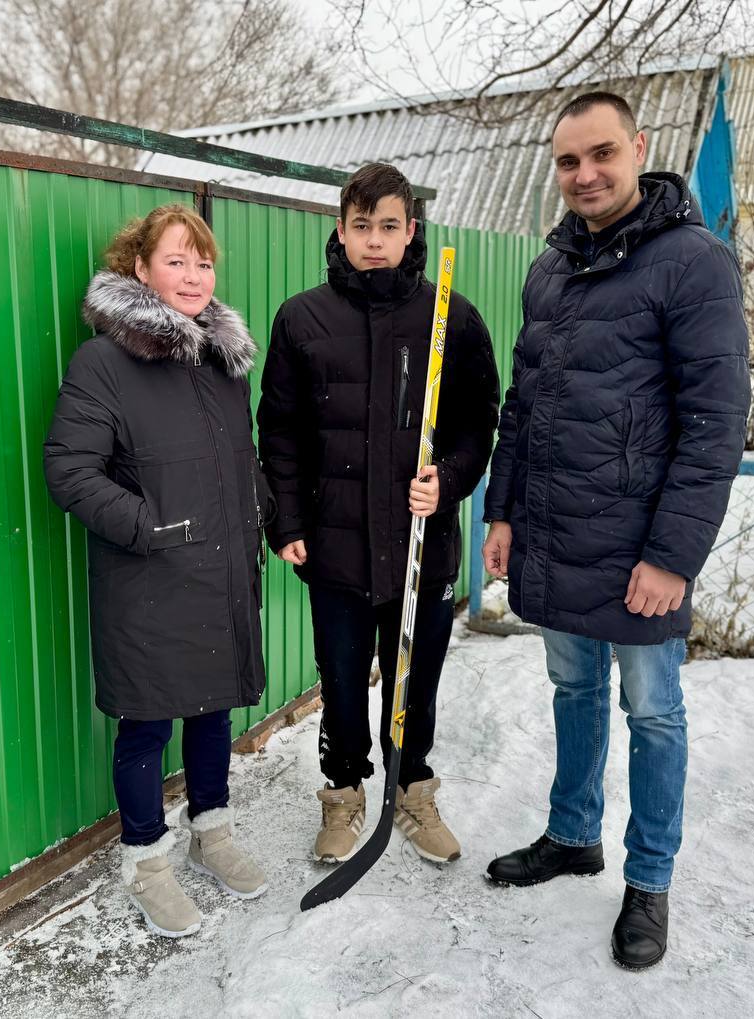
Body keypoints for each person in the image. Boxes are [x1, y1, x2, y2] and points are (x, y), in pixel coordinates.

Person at [481, 93, 751, 970]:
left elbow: (716, 422)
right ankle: (572, 835)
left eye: (602, 155)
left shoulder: (693, 263)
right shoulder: (549, 268)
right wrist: (504, 511)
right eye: (568, 162)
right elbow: (523, 406)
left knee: (655, 712)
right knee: (573, 689)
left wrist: (673, 556)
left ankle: (649, 880)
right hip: (556, 531)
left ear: (639, 149)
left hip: (641, 547)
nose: (585, 175)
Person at [257, 162, 500, 866]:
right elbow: (279, 431)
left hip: (421, 540)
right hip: (335, 545)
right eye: (360, 226)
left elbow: (476, 421)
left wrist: (447, 479)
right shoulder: (302, 319)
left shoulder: (450, 315)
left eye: (387, 226)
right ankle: (342, 791)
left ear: (410, 231)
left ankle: (411, 786)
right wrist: (289, 522)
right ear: (340, 229)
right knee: (339, 678)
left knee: (414, 679)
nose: (373, 240)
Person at [43, 204, 273, 938]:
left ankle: (213, 829)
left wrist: (268, 518)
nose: (194, 275)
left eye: (203, 263)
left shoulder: (222, 363)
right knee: (145, 728)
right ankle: (146, 860)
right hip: (148, 579)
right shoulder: (103, 362)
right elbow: (69, 470)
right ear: (139, 270)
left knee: (213, 709)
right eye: (176, 260)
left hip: (221, 571)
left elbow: (241, 462)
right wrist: (149, 527)